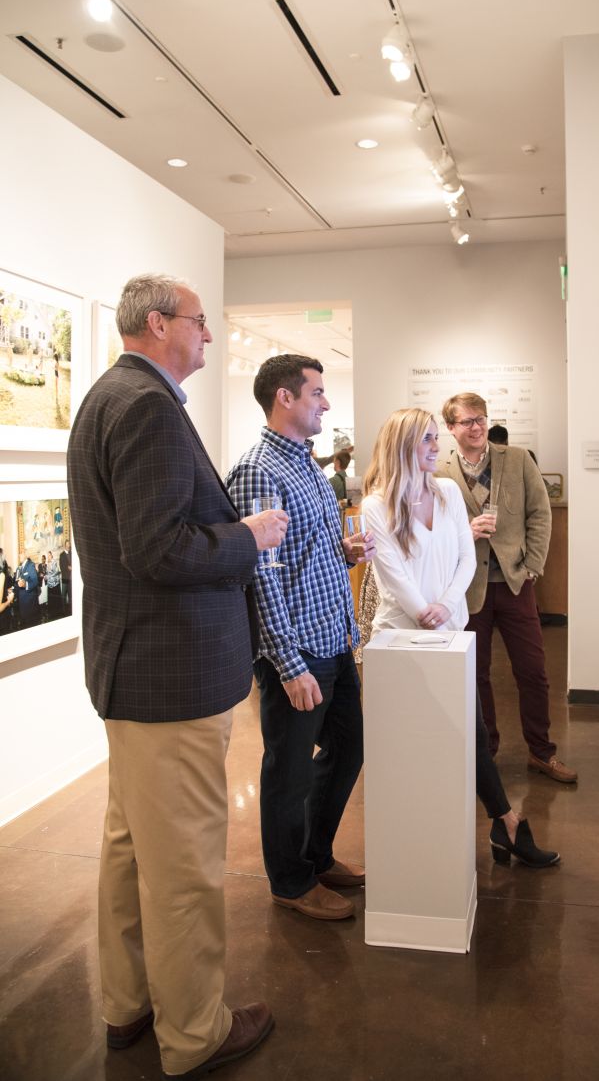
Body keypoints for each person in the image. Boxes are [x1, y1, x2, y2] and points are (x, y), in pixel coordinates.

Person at [66, 273, 288, 1080]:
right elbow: (158, 549)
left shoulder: (109, 397)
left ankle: (127, 1006)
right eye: (199, 323)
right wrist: (249, 536)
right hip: (171, 678)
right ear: (159, 325)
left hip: (137, 673)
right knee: (186, 867)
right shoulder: (149, 408)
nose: (207, 336)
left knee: (131, 849)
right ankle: (194, 1031)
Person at [360, 408, 559, 868]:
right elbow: (390, 572)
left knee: (467, 730)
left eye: (435, 438)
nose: (436, 447)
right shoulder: (375, 506)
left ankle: (501, 823)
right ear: (404, 446)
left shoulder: (447, 492)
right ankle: (490, 827)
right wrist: (422, 611)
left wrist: (447, 607)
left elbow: (466, 559)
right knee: (417, 745)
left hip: (449, 635)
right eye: (427, 440)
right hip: (401, 642)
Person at [226, 354, 373, 922]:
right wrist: (288, 665)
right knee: (287, 769)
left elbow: (300, 555)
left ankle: (314, 854)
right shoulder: (260, 470)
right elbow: (260, 575)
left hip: (334, 641)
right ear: (285, 398)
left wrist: (343, 551)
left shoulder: (308, 467)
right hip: (299, 652)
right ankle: (290, 880)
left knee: (350, 747)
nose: (326, 403)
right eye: (317, 393)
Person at [440, 392, 577, 783]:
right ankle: (486, 753)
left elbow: (541, 513)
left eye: (481, 418)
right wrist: (465, 534)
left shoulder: (516, 459)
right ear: (451, 428)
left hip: (516, 583)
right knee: (475, 674)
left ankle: (541, 752)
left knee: (533, 672)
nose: (477, 426)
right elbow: (435, 532)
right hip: (468, 590)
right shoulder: (439, 474)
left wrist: (533, 564)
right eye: (467, 421)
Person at [14, 550, 39, 629]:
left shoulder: (30, 565)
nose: (19, 555)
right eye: (19, 553)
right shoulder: (19, 568)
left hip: (29, 602)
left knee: (30, 625)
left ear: (26, 555)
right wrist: (12, 589)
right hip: (21, 601)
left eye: (21, 553)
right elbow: (17, 582)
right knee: (24, 624)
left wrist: (26, 584)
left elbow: (35, 581)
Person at [59, 539, 72, 613]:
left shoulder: (72, 553)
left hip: (71, 578)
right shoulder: (62, 555)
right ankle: (63, 611)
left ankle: (71, 611)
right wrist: (68, 568)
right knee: (63, 595)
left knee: (71, 594)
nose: (68, 546)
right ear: (65, 545)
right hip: (64, 578)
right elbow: (62, 567)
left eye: (69, 545)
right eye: (67, 545)